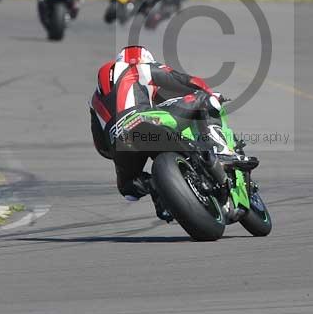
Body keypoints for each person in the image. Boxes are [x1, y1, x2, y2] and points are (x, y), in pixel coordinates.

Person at [89, 46, 226, 217]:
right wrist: (209, 92)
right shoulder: (139, 66)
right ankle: (219, 151)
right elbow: (181, 80)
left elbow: (101, 146)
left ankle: (155, 187)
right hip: (143, 120)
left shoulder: (95, 97)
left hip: (117, 140)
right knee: (204, 100)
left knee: (129, 189)